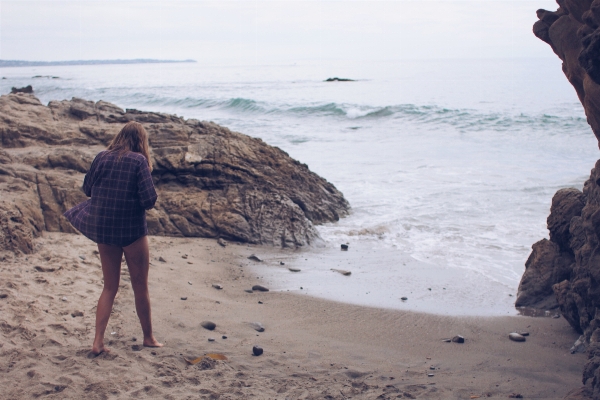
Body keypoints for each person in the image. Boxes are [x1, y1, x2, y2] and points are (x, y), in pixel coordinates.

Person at [64, 121, 163, 355]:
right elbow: (149, 200)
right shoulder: (139, 161)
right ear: (141, 141)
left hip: (105, 229)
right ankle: (148, 338)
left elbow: (87, 189)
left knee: (109, 287)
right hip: (131, 231)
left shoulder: (101, 157)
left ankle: (98, 342)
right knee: (140, 286)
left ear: (120, 137)